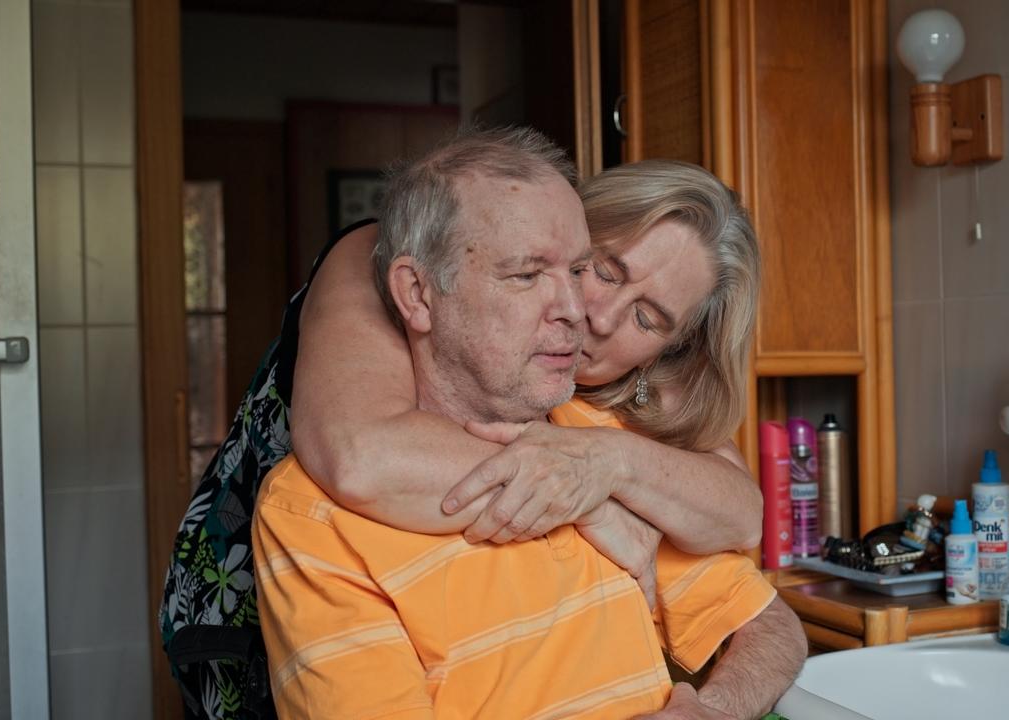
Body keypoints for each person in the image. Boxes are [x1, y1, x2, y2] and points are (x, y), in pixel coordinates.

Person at [159, 126, 781, 719]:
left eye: (648, 319)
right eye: (600, 269)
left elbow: (738, 516)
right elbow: (358, 457)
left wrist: (606, 464)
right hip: (241, 591)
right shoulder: (383, 259)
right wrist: (590, 499)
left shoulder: (607, 418)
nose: (593, 314)